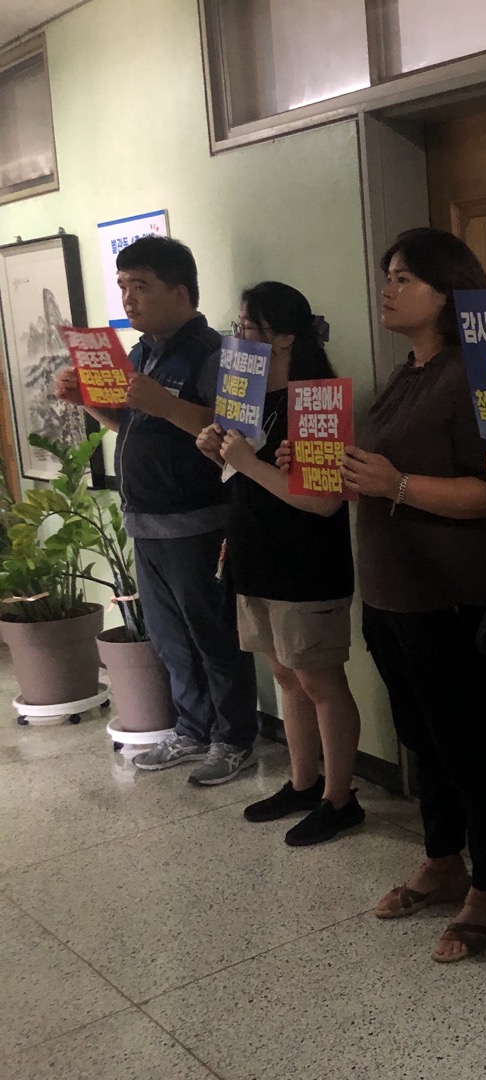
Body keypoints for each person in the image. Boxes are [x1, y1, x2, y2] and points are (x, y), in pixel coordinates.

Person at [344, 228, 486, 962]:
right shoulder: (406, 372)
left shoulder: (474, 374)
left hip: (449, 595)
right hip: (391, 593)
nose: (388, 289)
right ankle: (443, 860)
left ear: (449, 293)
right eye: (388, 275)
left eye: (405, 278)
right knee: (423, 741)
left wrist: (398, 485)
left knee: (470, 744)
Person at [55, 235, 258, 784]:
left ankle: (234, 739)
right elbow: (134, 424)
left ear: (181, 291)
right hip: (145, 522)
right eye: (123, 286)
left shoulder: (215, 353)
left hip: (199, 522)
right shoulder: (142, 352)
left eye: (140, 286)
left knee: (214, 638)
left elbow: (233, 433)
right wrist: (88, 402)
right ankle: (192, 730)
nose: (128, 298)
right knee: (171, 641)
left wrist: (166, 404)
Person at [196, 281, 364, 847]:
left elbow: (323, 503)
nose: (239, 336)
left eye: (248, 326)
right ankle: (302, 782)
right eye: (239, 325)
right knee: (286, 676)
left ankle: (340, 799)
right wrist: (221, 454)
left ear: (285, 337)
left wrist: (247, 462)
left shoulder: (317, 402)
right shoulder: (246, 399)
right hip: (254, 556)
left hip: (305, 565)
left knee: (320, 681)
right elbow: (245, 477)